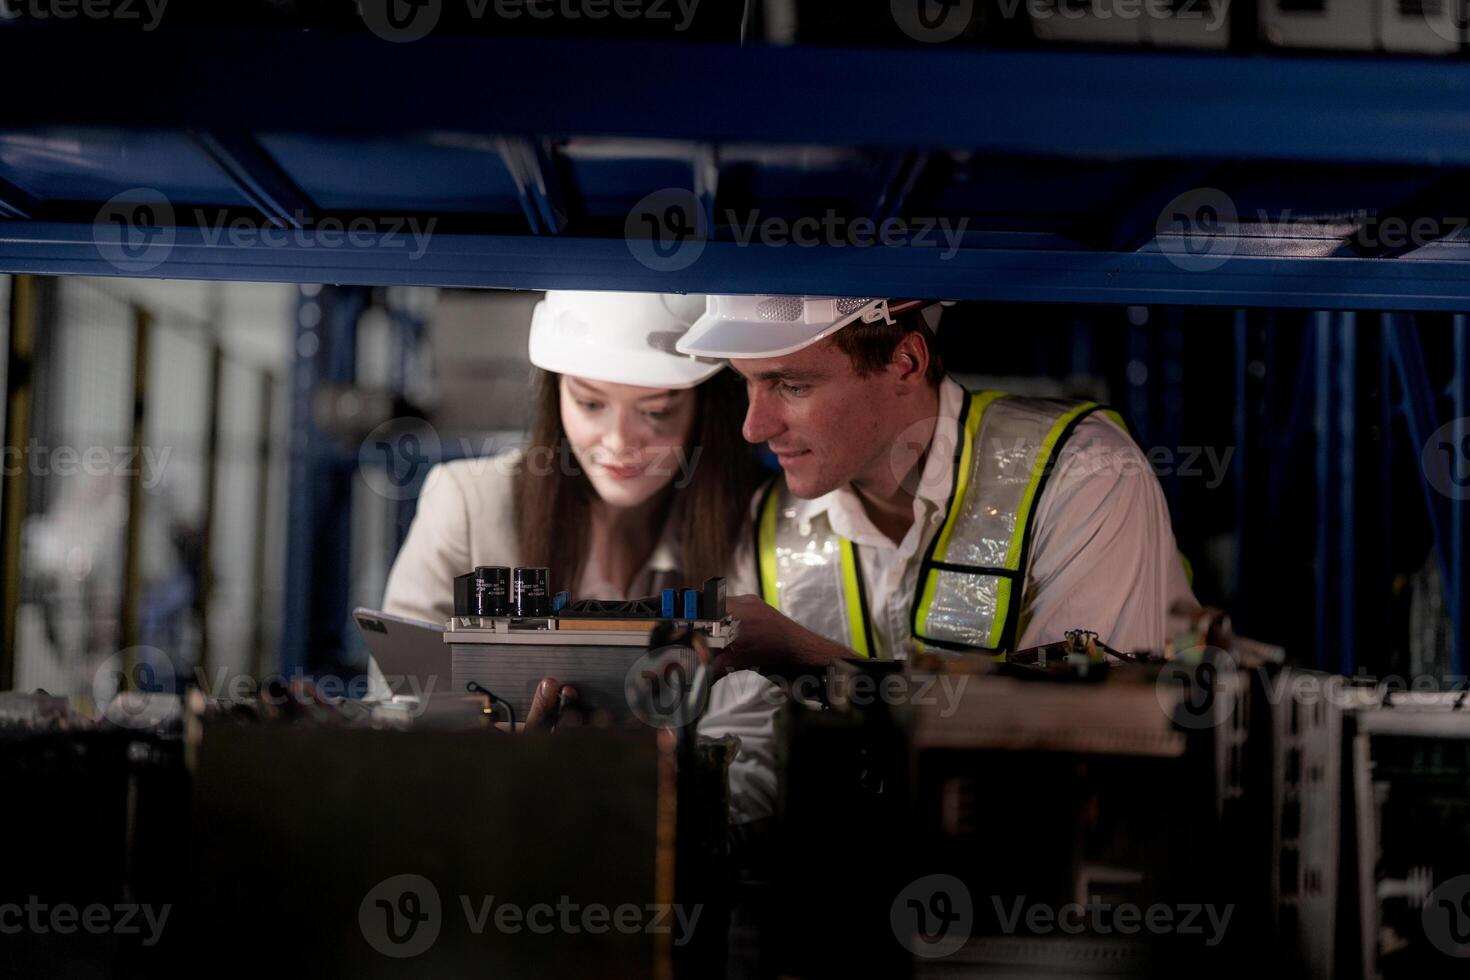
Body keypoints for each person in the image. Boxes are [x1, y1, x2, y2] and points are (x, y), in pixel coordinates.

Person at [681, 295, 1199, 817]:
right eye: (746, 383)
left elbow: (1074, 750)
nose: (754, 427)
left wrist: (811, 660)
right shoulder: (769, 521)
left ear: (905, 362)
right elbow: (749, 774)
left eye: (792, 386)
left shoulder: (1084, 472)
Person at [379, 290, 765, 725]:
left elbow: (756, 733)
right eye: (590, 403)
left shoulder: (753, 519)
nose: (619, 441)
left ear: (702, 407)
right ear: (554, 393)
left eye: (655, 412)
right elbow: (400, 711)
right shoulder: (465, 504)